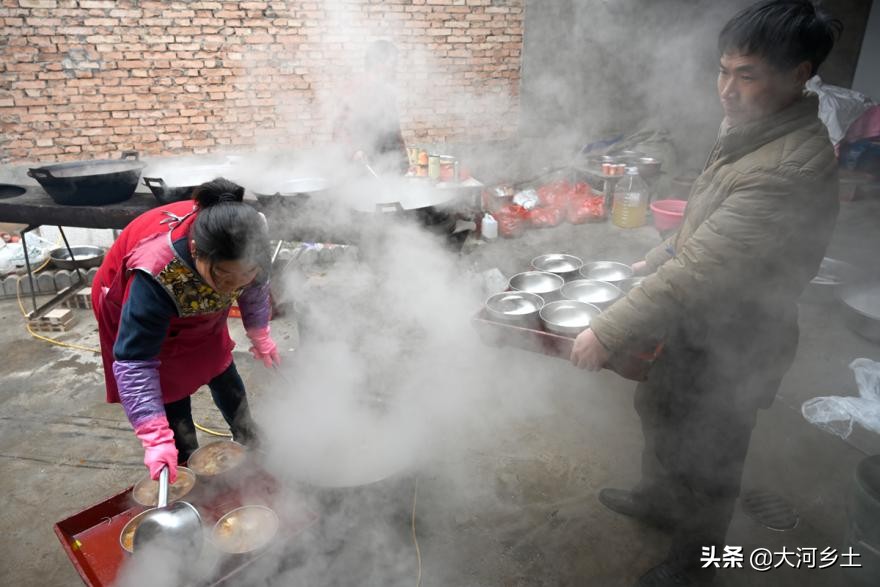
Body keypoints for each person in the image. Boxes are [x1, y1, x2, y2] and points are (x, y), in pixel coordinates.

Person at [570, 2, 841, 585]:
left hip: (740, 337)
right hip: (698, 322)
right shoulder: (749, 129)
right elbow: (708, 221)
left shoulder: (787, 168)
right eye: (724, 70)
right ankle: (657, 500)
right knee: (659, 407)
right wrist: (661, 252)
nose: (727, 89)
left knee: (709, 457)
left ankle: (695, 564)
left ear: (799, 74)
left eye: (747, 75)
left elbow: (701, 269)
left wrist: (605, 330)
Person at [92, 178, 281, 483]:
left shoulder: (252, 241)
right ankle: (183, 459)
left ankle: (249, 436)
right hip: (134, 308)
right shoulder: (156, 273)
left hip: (196, 305)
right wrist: (154, 435)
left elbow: (257, 289)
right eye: (223, 275)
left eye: (246, 273)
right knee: (171, 386)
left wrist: (259, 333)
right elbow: (136, 362)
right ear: (196, 252)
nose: (234, 287)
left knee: (218, 361)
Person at [331, 40, 409, 175]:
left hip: (388, 164)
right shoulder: (354, 89)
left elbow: (393, 129)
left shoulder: (387, 91)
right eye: (393, 64)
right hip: (362, 167)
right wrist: (353, 151)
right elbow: (339, 127)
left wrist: (404, 160)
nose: (396, 70)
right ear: (379, 64)